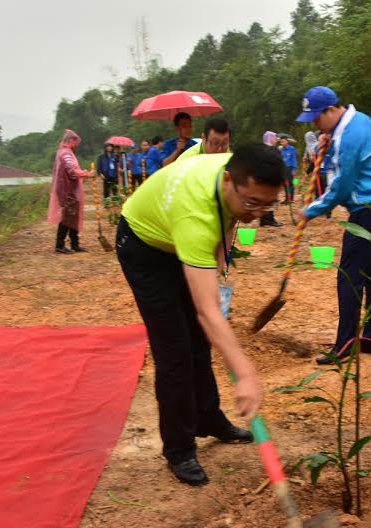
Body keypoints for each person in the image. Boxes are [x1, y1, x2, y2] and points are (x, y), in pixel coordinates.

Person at [115, 144, 284, 486]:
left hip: (177, 233)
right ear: (227, 182)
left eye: (269, 204)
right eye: (252, 203)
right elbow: (209, 312)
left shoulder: (234, 164)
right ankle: (179, 448)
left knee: (198, 341)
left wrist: (222, 249)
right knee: (174, 351)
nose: (258, 213)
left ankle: (208, 418)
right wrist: (246, 373)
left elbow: (222, 206)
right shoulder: (196, 216)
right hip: (144, 246)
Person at [296, 86, 371, 364]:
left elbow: (340, 186)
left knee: (349, 278)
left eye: (317, 119)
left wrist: (310, 210)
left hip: (365, 211)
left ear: (330, 110)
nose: (316, 125)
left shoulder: (348, 135)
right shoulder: (361, 119)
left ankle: (344, 346)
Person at [47, 129, 94, 254]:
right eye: (76, 141)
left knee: (73, 216)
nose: (77, 144)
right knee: (67, 216)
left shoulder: (64, 152)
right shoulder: (66, 153)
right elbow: (71, 170)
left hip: (69, 189)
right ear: (71, 140)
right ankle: (60, 244)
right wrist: (86, 174)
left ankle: (75, 244)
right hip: (67, 191)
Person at [259, 131, 282, 227]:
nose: (276, 140)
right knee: (271, 198)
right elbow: (278, 163)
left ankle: (263, 219)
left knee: (264, 199)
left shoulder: (261, 149)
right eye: (274, 138)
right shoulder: (273, 150)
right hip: (271, 177)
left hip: (262, 177)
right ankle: (270, 219)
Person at [279, 137, 298, 203]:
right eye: (281, 142)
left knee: (290, 183)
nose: (282, 143)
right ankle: (287, 198)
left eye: (283, 141)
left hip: (289, 168)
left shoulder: (292, 149)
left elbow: (294, 159)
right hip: (283, 168)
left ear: (287, 142)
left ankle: (291, 199)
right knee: (284, 183)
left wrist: (294, 169)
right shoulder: (281, 150)